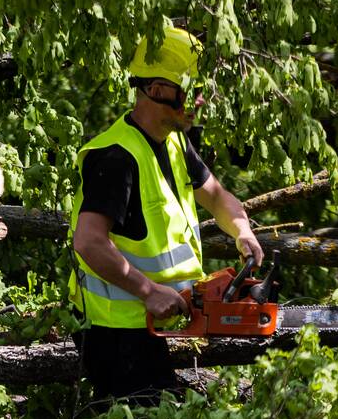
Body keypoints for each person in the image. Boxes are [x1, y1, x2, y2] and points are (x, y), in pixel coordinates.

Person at [69, 27, 264, 398]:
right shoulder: (116, 157)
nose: (201, 101)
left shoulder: (174, 142)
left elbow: (218, 197)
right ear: (159, 90)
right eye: (193, 90)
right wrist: (148, 292)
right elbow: (89, 242)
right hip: (116, 334)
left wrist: (242, 231)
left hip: (159, 324)